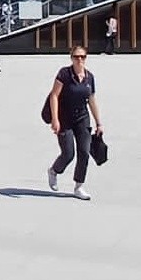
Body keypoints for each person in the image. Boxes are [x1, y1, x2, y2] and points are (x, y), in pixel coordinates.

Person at [44, 45, 103, 200]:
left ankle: (79, 186)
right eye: (76, 57)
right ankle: (54, 171)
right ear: (71, 58)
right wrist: (55, 119)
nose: (79, 60)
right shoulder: (64, 74)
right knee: (68, 153)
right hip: (64, 118)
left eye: (82, 57)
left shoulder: (89, 77)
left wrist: (99, 123)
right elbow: (54, 96)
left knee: (84, 152)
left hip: (82, 118)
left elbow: (91, 100)